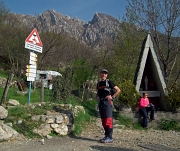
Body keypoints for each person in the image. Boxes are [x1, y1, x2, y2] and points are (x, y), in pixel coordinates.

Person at [96, 69, 120, 143]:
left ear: (107, 75)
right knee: (103, 120)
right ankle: (106, 136)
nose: (103, 75)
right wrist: (96, 96)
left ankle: (110, 137)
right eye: (102, 73)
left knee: (108, 120)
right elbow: (98, 91)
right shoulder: (99, 83)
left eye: (105, 73)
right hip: (101, 102)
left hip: (107, 102)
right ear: (100, 74)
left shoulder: (109, 82)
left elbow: (118, 90)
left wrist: (112, 97)